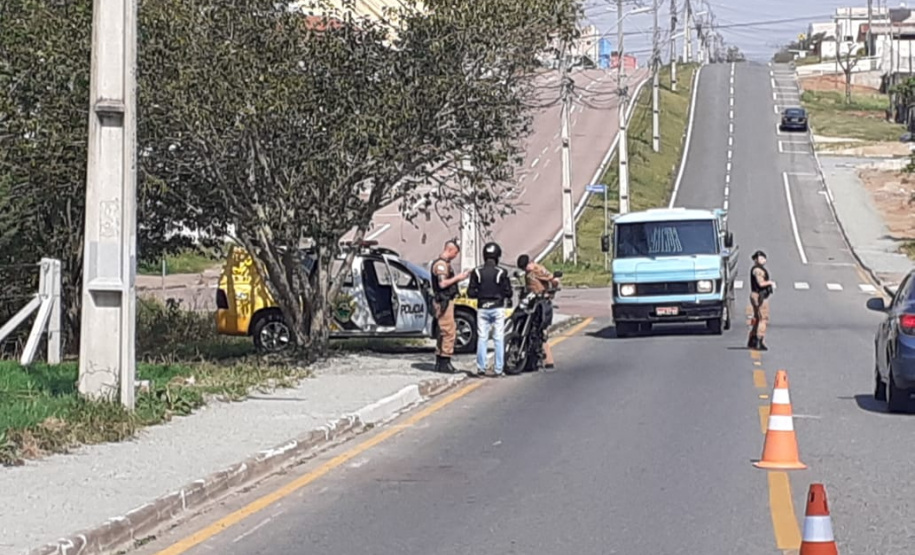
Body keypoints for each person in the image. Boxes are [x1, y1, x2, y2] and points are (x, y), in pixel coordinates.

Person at [468, 242, 514, 377]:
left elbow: (471, 292)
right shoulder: (501, 272)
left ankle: (481, 368)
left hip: (482, 308)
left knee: (482, 338)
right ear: (498, 256)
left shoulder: (477, 272)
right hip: (497, 307)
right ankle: (498, 369)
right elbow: (508, 292)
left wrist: (481, 294)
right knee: (498, 338)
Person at [431, 239, 470, 373]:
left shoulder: (445, 264)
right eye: (455, 253)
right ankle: (444, 362)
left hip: (446, 300)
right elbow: (442, 284)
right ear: (450, 250)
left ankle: (440, 361)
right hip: (443, 301)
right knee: (449, 332)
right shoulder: (441, 265)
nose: (455, 256)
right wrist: (459, 278)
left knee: (443, 332)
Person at [516, 254, 561, 369]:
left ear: (530, 263)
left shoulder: (538, 269)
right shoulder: (528, 273)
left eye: (526, 266)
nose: (525, 269)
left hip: (541, 302)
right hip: (531, 302)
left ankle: (548, 360)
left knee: (541, 331)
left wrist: (554, 285)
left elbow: (552, 279)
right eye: (523, 268)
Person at [748, 250, 775, 351]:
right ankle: (759, 340)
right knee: (763, 318)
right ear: (756, 259)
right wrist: (770, 283)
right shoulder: (758, 270)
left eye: (764, 258)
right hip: (759, 296)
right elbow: (760, 283)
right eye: (761, 258)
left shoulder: (758, 269)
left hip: (756, 295)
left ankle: (752, 339)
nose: (763, 260)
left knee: (757, 318)